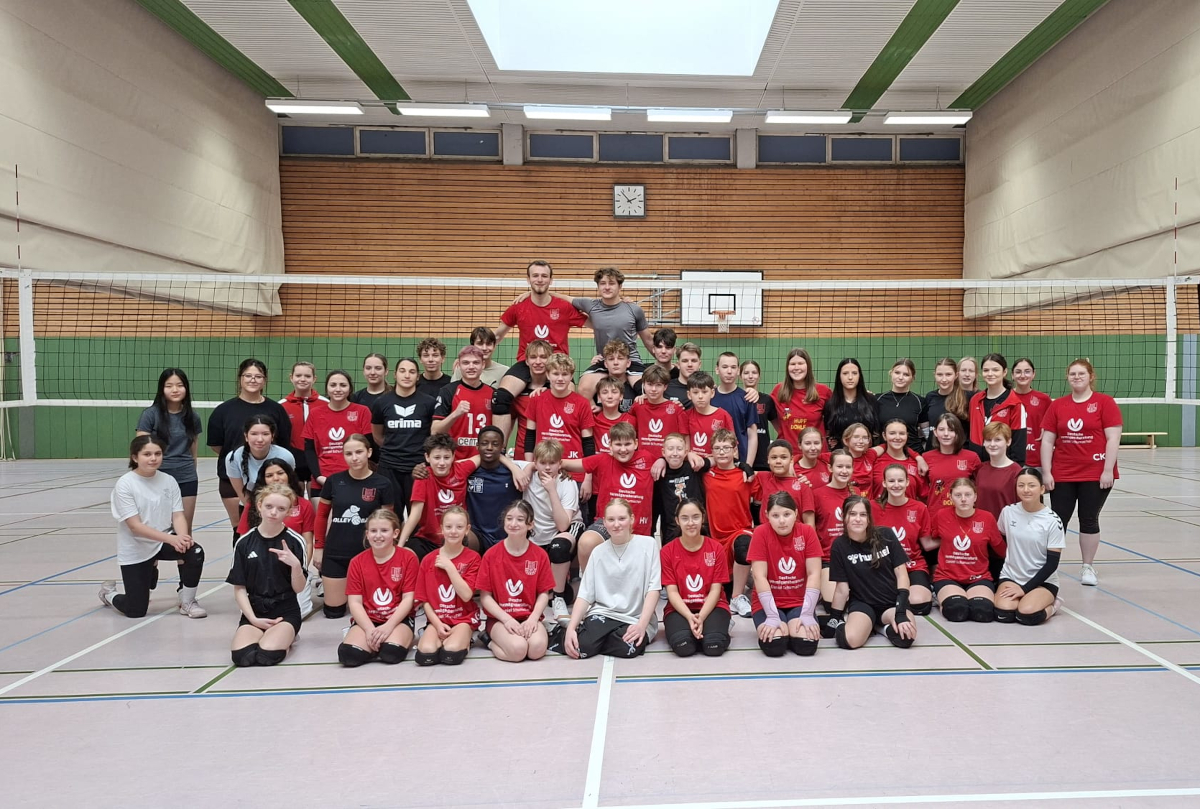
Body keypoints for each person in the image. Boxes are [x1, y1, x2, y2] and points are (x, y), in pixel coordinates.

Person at [100, 435, 206, 619]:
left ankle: (187, 601)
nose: (153, 458)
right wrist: (172, 539)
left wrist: (182, 537)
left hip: (163, 541)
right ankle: (109, 594)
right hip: (137, 546)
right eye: (147, 454)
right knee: (136, 611)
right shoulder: (125, 484)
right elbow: (135, 526)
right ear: (135, 457)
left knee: (194, 551)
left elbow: (178, 515)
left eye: (158, 453)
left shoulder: (169, 480)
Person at [1040, 358, 1122, 586]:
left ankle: (1087, 567)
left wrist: (1107, 470)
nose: (1076, 377)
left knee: (1088, 519)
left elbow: (1113, 438)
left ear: (1091, 377)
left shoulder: (1105, 402)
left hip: (1095, 473)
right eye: (1072, 374)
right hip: (1063, 473)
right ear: (1067, 377)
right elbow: (1047, 440)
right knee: (1058, 520)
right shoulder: (1058, 405)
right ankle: (1050, 567)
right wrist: (1046, 472)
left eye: (1081, 374)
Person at [563, 499, 661, 659]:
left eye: (622, 518)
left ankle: (596, 638)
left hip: (634, 617)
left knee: (628, 648)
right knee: (581, 648)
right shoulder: (598, 552)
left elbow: (653, 589)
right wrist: (571, 628)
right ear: (604, 522)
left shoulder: (648, 545)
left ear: (632, 519)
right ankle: (585, 636)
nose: (616, 524)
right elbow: (585, 595)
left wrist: (642, 625)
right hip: (604, 614)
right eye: (611, 519)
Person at [314, 434, 395, 618]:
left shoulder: (382, 484)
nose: (354, 458)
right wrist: (319, 548)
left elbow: (388, 521)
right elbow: (321, 516)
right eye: (349, 453)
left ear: (369, 452)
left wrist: (388, 553)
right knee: (333, 613)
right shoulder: (334, 481)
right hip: (336, 553)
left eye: (359, 452)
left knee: (375, 612)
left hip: (369, 554)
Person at [227, 483, 307, 666]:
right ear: (259, 506)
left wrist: (295, 566)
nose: (273, 512)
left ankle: (288, 636)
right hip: (255, 610)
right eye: (269, 506)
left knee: (267, 656)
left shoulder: (295, 541)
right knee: (243, 658)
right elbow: (239, 588)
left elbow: (299, 588)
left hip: (285, 610)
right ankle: (267, 634)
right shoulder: (244, 542)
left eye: (281, 509)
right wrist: (253, 619)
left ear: (288, 512)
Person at [493, 260, 588, 413]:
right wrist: (473, 354)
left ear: (551, 280)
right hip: (527, 363)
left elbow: (597, 322)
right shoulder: (518, 307)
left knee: (567, 401)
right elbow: (497, 336)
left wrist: (619, 306)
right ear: (528, 279)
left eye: (544, 276)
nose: (539, 279)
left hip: (557, 364)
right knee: (500, 398)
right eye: (535, 275)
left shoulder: (564, 307)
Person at [207, 359, 292, 528]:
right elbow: (217, 445)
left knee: (270, 526)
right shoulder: (223, 411)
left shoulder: (276, 410)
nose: (253, 380)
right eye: (248, 376)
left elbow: (283, 443)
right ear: (240, 378)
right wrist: (241, 461)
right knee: (240, 527)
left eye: (258, 376)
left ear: (265, 380)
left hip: (270, 480)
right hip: (233, 478)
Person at [827, 495, 917, 650]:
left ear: (869, 518)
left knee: (906, 636)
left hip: (891, 604)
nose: (858, 519)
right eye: (853, 514)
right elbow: (842, 589)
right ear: (844, 517)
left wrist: (901, 611)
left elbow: (902, 575)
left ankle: (880, 627)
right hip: (863, 604)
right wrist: (834, 618)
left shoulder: (886, 535)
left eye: (863, 515)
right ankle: (866, 624)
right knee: (849, 641)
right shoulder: (839, 545)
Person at [567, 422, 656, 571]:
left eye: (627, 444)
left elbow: (674, 458)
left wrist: (661, 461)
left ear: (636, 443)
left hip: (637, 529)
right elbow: (565, 464)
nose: (623, 449)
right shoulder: (603, 460)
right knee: (586, 542)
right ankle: (589, 583)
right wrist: (532, 466)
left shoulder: (647, 458)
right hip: (606, 524)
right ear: (610, 445)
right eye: (618, 444)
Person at [337, 509, 418, 666]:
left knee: (391, 653)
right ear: (367, 534)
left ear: (395, 533)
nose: (378, 535)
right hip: (369, 619)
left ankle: (397, 637)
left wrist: (388, 627)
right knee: (349, 656)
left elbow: (409, 599)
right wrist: (369, 630)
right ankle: (367, 639)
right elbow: (354, 602)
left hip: (397, 619)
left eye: (384, 530)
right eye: (373, 531)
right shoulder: (357, 562)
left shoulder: (408, 558)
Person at [477, 500, 556, 662]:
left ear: (530, 524)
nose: (513, 524)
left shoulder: (540, 555)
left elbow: (544, 593)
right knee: (518, 651)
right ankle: (489, 641)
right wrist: (507, 620)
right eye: (509, 518)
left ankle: (527, 633)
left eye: (520, 519)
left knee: (536, 650)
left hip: (528, 616)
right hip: (500, 619)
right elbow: (485, 597)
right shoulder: (491, 555)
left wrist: (533, 618)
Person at [748, 491, 822, 657]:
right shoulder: (760, 533)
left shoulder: (807, 532)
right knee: (774, 645)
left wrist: (808, 612)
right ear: (767, 515)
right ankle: (783, 627)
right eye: (775, 515)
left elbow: (814, 573)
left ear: (795, 513)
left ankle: (791, 627)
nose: (781, 521)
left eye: (787, 514)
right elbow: (759, 576)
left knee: (806, 645)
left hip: (799, 602)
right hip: (768, 603)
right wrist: (772, 615)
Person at [519, 439, 584, 623]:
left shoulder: (567, 483)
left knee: (559, 547)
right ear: (536, 462)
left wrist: (552, 491)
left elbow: (563, 524)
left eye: (552, 463)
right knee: (538, 594)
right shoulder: (529, 474)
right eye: (543, 463)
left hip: (565, 530)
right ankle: (570, 588)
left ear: (560, 463)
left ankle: (558, 598)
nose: (547, 468)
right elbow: (503, 459)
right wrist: (527, 468)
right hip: (537, 537)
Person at [235, 460, 317, 604]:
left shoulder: (304, 505)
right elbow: (244, 541)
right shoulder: (253, 505)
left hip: (291, 569)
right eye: (269, 475)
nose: (276, 478)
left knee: (297, 610)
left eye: (280, 473)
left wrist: (299, 568)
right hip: (260, 569)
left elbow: (308, 542)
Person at [569, 267, 655, 401]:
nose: (607, 287)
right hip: (605, 361)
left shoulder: (634, 309)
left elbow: (648, 340)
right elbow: (564, 299)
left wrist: (666, 364)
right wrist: (536, 293)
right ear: (598, 286)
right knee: (584, 388)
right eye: (603, 283)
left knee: (648, 390)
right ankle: (592, 412)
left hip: (631, 361)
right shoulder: (591, 305)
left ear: (620, 286)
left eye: (612, 283)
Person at [660, 500, 731, 657]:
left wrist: (701, 617)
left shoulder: (716, 548)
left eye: (695, 517)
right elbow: (672, 592)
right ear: (677, 521)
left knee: (713, 646)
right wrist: (689, 616)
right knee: (684, 647)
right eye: (685, 518)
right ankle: (692, 631)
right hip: (680, 609)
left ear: (703, 518)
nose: (691, 523)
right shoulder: (667, 551)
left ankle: (715, 630)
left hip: (713, 606)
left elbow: (715, 590)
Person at [996, 468, 1066, 625]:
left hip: (1042, 581)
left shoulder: (1052, 520)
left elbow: (1052, 564)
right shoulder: (1008, 512)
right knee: (1004, 614)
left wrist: (1024, 589)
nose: (1026, 490)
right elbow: (1000, 538)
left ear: (1042, 489)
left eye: (1031, 485)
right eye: (1021, 485)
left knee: (1026, 615)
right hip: (1012, 576)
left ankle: (1053, 606)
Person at [931, 478, 1006, 623]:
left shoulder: (987, 518)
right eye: (958, 495)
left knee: (982, 612)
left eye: (968, 494)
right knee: (956, 610)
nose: (963, 499)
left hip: (979, 577)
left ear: (975, 497)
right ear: (951, 497)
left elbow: (1001, 550)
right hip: (948, 577)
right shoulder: (941, 515)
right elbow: (932, 539)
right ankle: (940, 598)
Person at [136, 368, 203, 531]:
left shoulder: (193, 417)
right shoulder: (150, 415)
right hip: (156, 477)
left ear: (186, 388)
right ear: (162, 389)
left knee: (184, 529)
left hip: (186, 477)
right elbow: (141, 450)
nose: (175, 390)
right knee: (156, 528)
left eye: (180, 385)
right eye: (169, 386)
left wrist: (191, 472)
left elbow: (193, 452)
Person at [414, 506, 480, 666]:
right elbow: (424, 600)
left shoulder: (473, 558)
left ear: (467, 530)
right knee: (425, 655)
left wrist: (450, 567)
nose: (453, 531)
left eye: (459, 527)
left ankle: (468, 637)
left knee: (451, 654)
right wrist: (436, 624)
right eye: (449, 527)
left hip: (463, 618)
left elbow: (466, 595)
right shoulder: (428, 560)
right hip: (438, 618)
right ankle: (430, 633)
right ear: (441, 529)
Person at [523, 352, 595, 494]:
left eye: (565, 374)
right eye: (556, 374)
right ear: (548, 375)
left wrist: (588, 478)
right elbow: (530, 437)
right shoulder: (536, 400)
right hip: (543, 471)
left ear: (571, 376)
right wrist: (529, 467)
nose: (560, 378)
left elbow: (588, 443)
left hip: (574, 474)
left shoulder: (582, 403)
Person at [371, 357, 436, 517]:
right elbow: (377, 435)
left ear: (417, 376)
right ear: (395, 374)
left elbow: (433, 435)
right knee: (390, 517)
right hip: (389, 468)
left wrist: (424, 461)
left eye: (412, 372)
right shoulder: (382, 402)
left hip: (418, 468)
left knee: (419, 518)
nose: (407, 375)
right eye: (402, 371)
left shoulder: (428, 403)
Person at [874, 464, 934, 615]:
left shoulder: (919, 508)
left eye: (900, 480)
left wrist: (950, 537)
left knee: (919, 604)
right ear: (884, 483)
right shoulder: (872, 507)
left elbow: (927, 543)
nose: (896, 485)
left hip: (912, 565)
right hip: (883, 567)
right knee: (879, 601)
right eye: (891, 481)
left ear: (907, 482)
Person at [303, 370, 372, 497]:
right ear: (327, 389)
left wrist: (361, 476)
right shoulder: (315, 413)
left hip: (356, 479)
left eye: (343, 385)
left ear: (350, 389)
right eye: (333, 385)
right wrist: (318, 477)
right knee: (322, 510)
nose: (338, 389)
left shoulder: (362, 411)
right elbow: (309, 449)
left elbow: (369, 447)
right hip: (323, 480)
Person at [226, 416, 295, 530]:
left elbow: (289, 487)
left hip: (280, 505)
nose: (260, 439)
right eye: (254, 434)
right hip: (251, 504)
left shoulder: (285, 456)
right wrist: (257, 512)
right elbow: (241, 492)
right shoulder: (234, 458)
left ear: (272, 436)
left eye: (265, 434)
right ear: (246, 436)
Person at [433, 345, 495, 460]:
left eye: (476, 363)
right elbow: (435, 431)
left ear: (483, 365)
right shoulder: (448, 391)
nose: (471, 367)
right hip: (456, 461)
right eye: (466, 363)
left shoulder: (493, 393)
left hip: (484, 461)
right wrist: (455, 414)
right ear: (459, 365)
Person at [465, 426, 519, 551]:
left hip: (507, 535)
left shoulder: (514, 472)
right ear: (477, 446)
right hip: (478, 535)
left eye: (495, 444)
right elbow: (445, 467)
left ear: (502, 447)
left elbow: (540, 466)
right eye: (484, 443)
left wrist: (563, 470)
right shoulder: (468, 471)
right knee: (462, 537)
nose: (489, 447)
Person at [968, 353, 1027, 465]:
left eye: (995, 370)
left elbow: (1019, 443)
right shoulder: (975, 400)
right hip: (976, 465)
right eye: (986, 370)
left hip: (1002, 466)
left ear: (1004, 372)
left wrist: (1013, 470)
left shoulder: (1015, 404)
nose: (990, 374)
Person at [922, 413, 981, 523]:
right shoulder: (926, 458)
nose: (946, 434)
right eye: (941, 429)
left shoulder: (971, 457)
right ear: (935, 432)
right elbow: (922, 490)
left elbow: (979, 487)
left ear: (958, 433)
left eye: (951, 430)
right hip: (935, 517)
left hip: (964, 516)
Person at [653, 433, 709, 544]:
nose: (675, 453)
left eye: (679, 449)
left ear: (685, 452)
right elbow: (656, 507)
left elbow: (715, 460)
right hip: (671, 529)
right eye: (670, 449)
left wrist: (740, 464)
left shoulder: (694, 467)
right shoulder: (660, 473)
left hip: (697, 526)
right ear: (663, 452)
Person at [771, 348, 831, 451]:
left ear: (808, 366)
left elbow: (834, 417)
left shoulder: (823, 391)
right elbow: (767, 412)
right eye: (792, 364)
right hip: (788, 454)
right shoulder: (778, 391)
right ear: (787, 367)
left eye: (800, 363)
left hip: (816, 454)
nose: (796, 367)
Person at [279, 361, 326, 492]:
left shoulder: (326, 404)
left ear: (314, 379)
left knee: (317, 500)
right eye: (298, 375)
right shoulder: (281, 406)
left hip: (318, 459)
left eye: (307, 376)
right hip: (293, 459)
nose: (303, 379)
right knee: (295, 500)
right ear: (291, 377)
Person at [754, 440, 816, 528]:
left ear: (791, 459)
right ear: (768, 459)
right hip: (767, 534)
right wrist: (741, 465)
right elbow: (742, 474)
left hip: (794, 534)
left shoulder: (803, 485)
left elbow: (809, 523)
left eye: (783, 457)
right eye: (774, 457)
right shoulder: (763, 477)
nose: (778, 461)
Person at [711, 351, 759, 465]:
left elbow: (752, 434)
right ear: (717, 370)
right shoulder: (709, 397)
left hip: (739, 461)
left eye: (733, 367)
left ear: (738, 371)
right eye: (725, 367)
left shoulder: (747, 397)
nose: (729, 371)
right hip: (713, 461)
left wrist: (748, 465)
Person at [823, 358, 879, 449]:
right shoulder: (831, 404)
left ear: (860, 376)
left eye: (854, 373)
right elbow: (827, 432)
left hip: (866, 454)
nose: (850, 377)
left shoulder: (871, 400)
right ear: (839, 376)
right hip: (840, 454)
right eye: (845, 373)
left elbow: (877, 432)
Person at [628, 364, 684, 453]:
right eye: (650, 384)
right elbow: (629, 432)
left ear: (665, 387)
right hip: (643, 458)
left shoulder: (676, 408)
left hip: (668, 459)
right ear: (643, 385)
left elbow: (684, 437)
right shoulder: (638, 406)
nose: (653, 389)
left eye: (658, 385)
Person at [868, 419, 928, 501]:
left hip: (908, 509)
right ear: (884, 436)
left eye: (902, 433)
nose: (897, 437)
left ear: (907, 436)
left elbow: (924, 496)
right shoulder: (874, 461)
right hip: (878, 508)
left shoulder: (917, 464)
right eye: (892, 433)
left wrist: (918, 458)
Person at [875, 359, 925, 453]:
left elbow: (926, 434)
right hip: (884, 455)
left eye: (906, 374)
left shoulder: (920, 401)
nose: (900, 377)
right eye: (897, 373)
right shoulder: (877, 399)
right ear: (891, 373)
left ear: (912, 378)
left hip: (913, 454)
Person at [681, 372, 735, 461]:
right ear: (689, 395)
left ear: (712, 393)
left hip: (717, 465)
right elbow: (683, 448)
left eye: (704, 392)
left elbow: (733, 448)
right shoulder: (685, 416)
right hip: (692, 465)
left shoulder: (723, 415)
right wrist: (689, 455)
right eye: (695, 392)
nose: (700, 396)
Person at [1011, 358, 1050, 469]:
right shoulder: (1005, 397)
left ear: (1034, 374)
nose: (1023, 375)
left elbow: (1053, 427)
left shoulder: (1044, 399)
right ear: (1012, 375)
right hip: (1010, 459)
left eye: (1027, 371)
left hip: (1036, 460)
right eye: (1018, 372)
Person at [976, 422, 1020, 520]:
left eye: (997, 440)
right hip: (981, 524)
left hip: (1005, 525)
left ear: (1008, 442)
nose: (992, 444)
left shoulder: (1016, 472)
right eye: (988, 440)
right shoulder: (980, 469)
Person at [923, 358, 968, 451]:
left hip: (958, 452)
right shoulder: (930, 397)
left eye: (948, 374)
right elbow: (926, 427)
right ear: (934, 375)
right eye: (940, 374)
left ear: (956, 375)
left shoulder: (966, 397)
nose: (944, 379)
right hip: (933, 451)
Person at [740, 359, 777, 471]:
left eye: (754, 373)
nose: (750, 376)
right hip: (741, 456)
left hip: (762, 458)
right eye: (746, 373)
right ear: (740, 376)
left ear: (759, 376)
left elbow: (779, 428)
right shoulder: (736, 399)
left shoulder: (767, 400)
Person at [958, 356, 980, 438]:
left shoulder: (981, 397)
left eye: (971, 371)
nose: (967, 374)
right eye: (963, 370)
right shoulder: (951, 397)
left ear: (976, 374)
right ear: (957, 373)